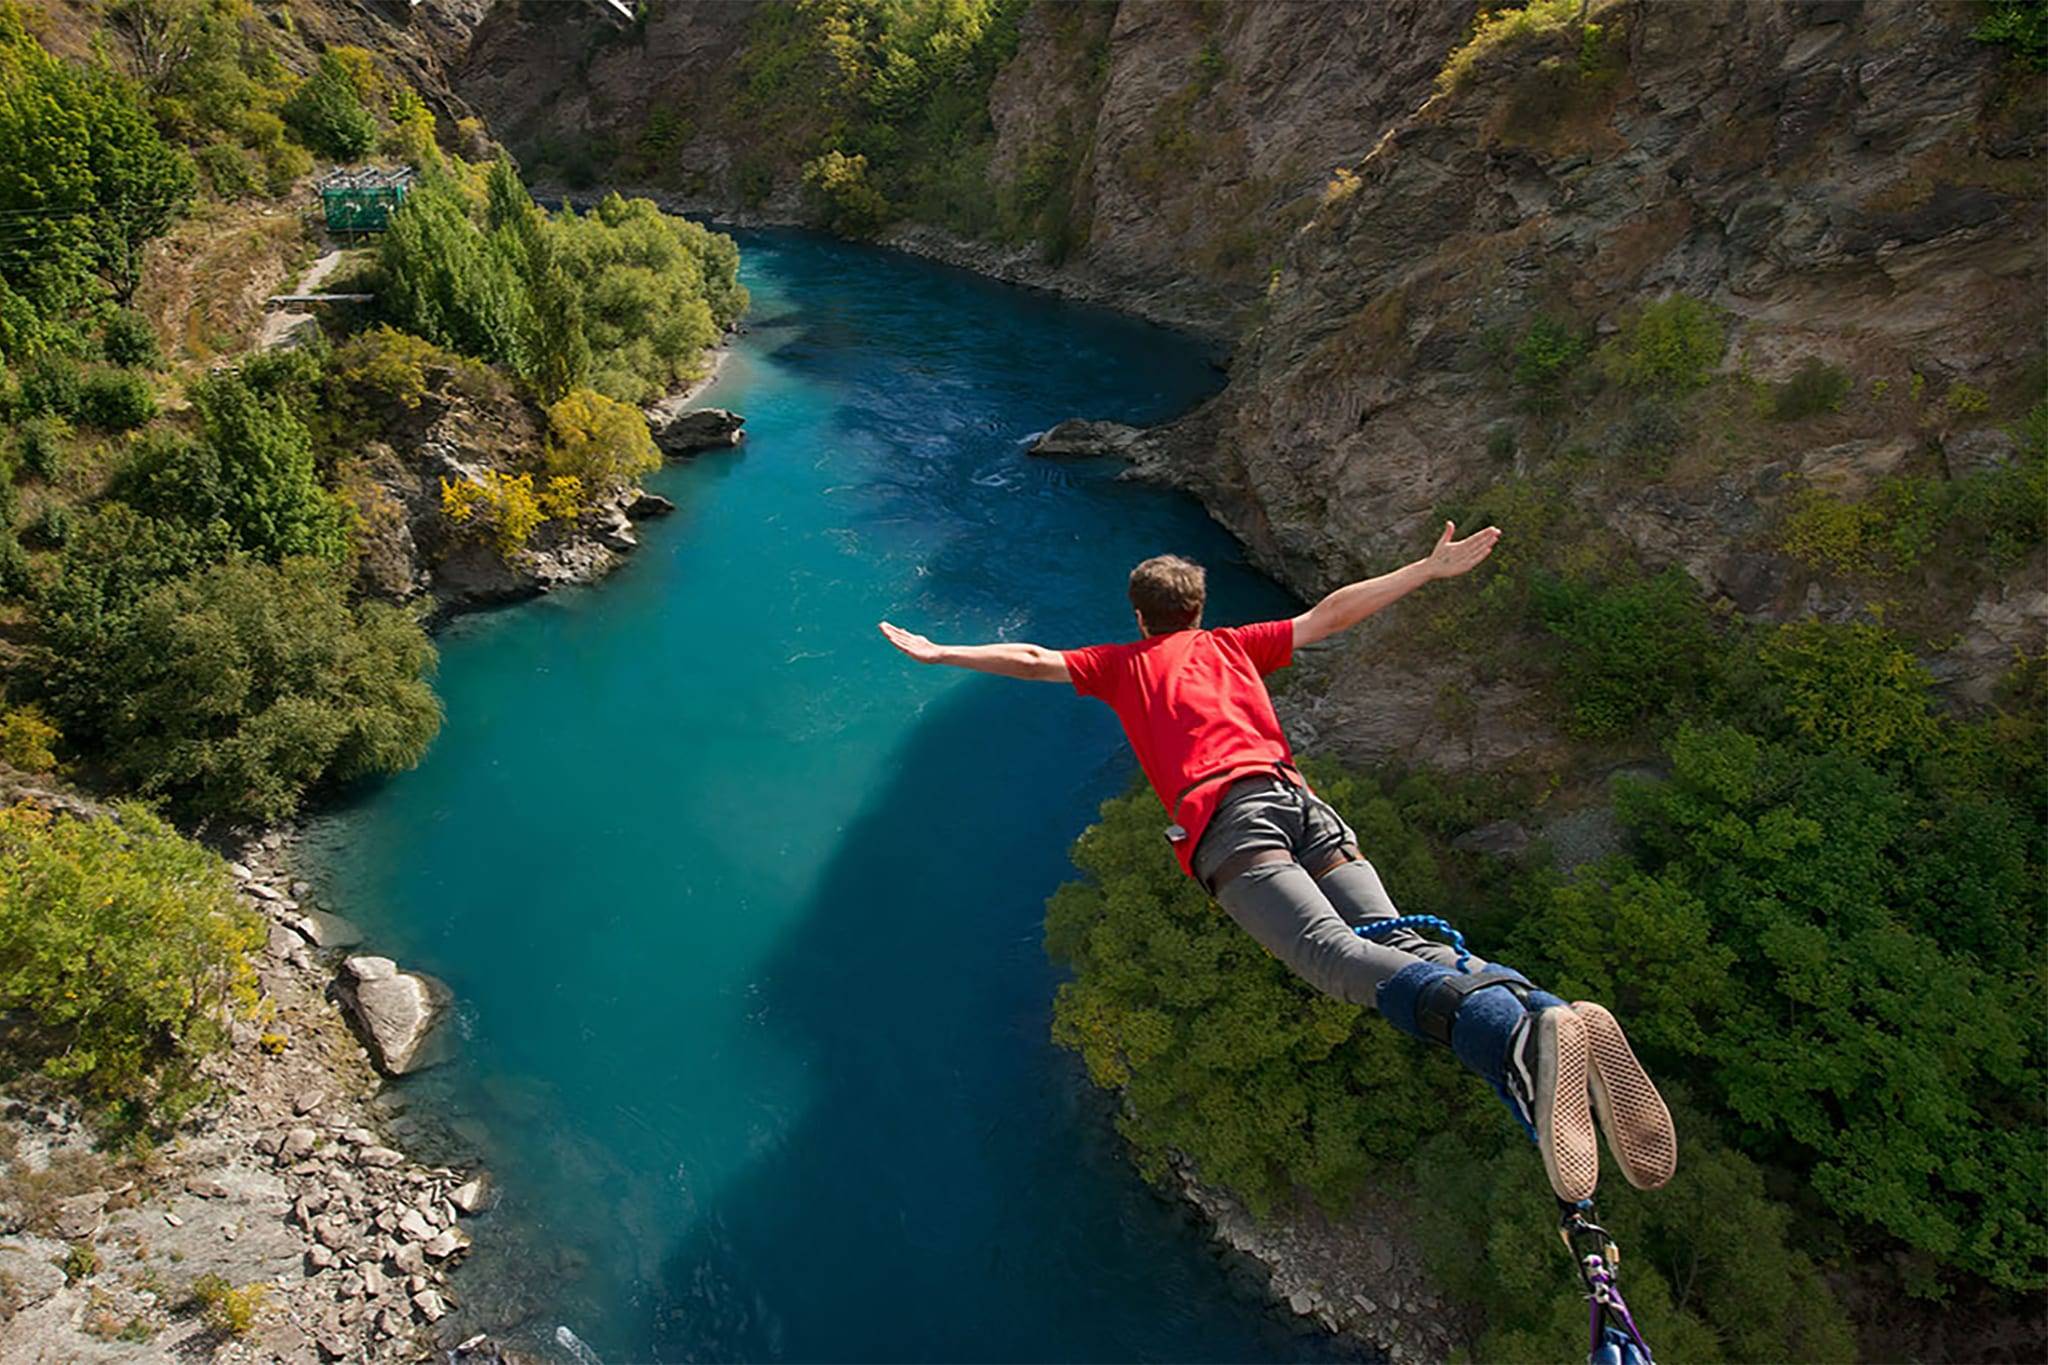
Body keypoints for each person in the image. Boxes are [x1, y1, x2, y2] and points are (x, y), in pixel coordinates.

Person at [878, 522, 1677, 1203]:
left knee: (1331, 958)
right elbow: (1331, 615)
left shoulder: (1123, 664)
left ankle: (1508, 1036)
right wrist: (1427, 570)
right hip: (1304, 804)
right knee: (1397, 939)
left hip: (1230, 819)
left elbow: (1031, 655)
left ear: (1140, 615)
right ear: (1199, 608)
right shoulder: (1233, 645)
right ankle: (1539, 1008)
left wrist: (941, 653)